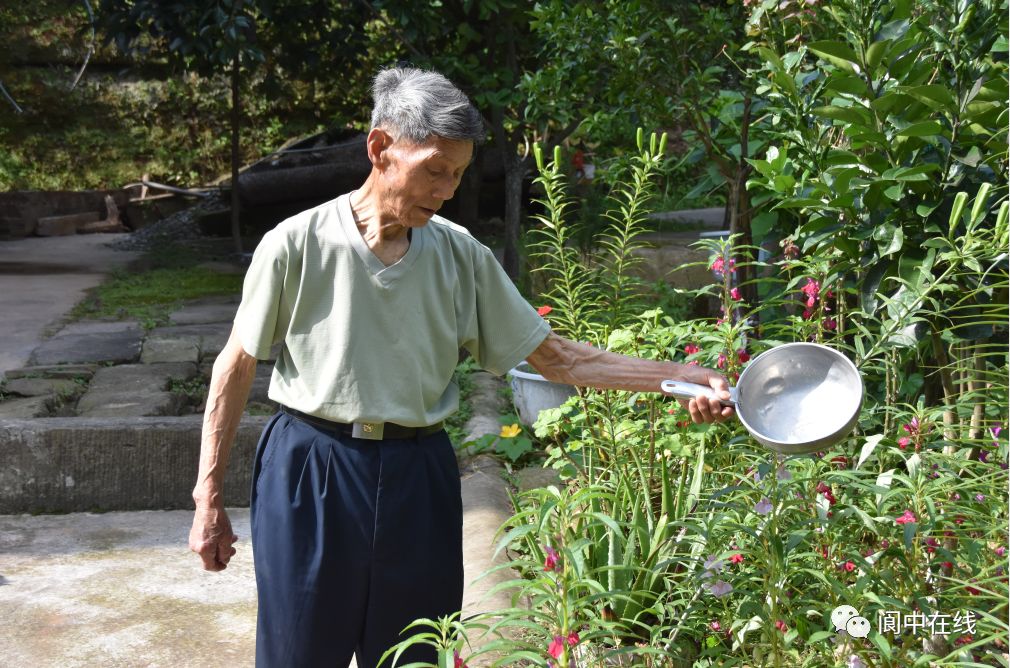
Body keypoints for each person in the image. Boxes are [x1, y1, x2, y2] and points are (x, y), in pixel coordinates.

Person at [188, 66, 734, 668]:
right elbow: (236, 365)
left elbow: (556, 358)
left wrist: (679, 378)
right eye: (435, 170)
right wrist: (208, 496)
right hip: (312, 468)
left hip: (417, 473)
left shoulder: (460, 254)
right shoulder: (295, 243)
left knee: (413, 656)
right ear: (380, 149)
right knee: (297, 654)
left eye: (457, 174)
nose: (447, 189)